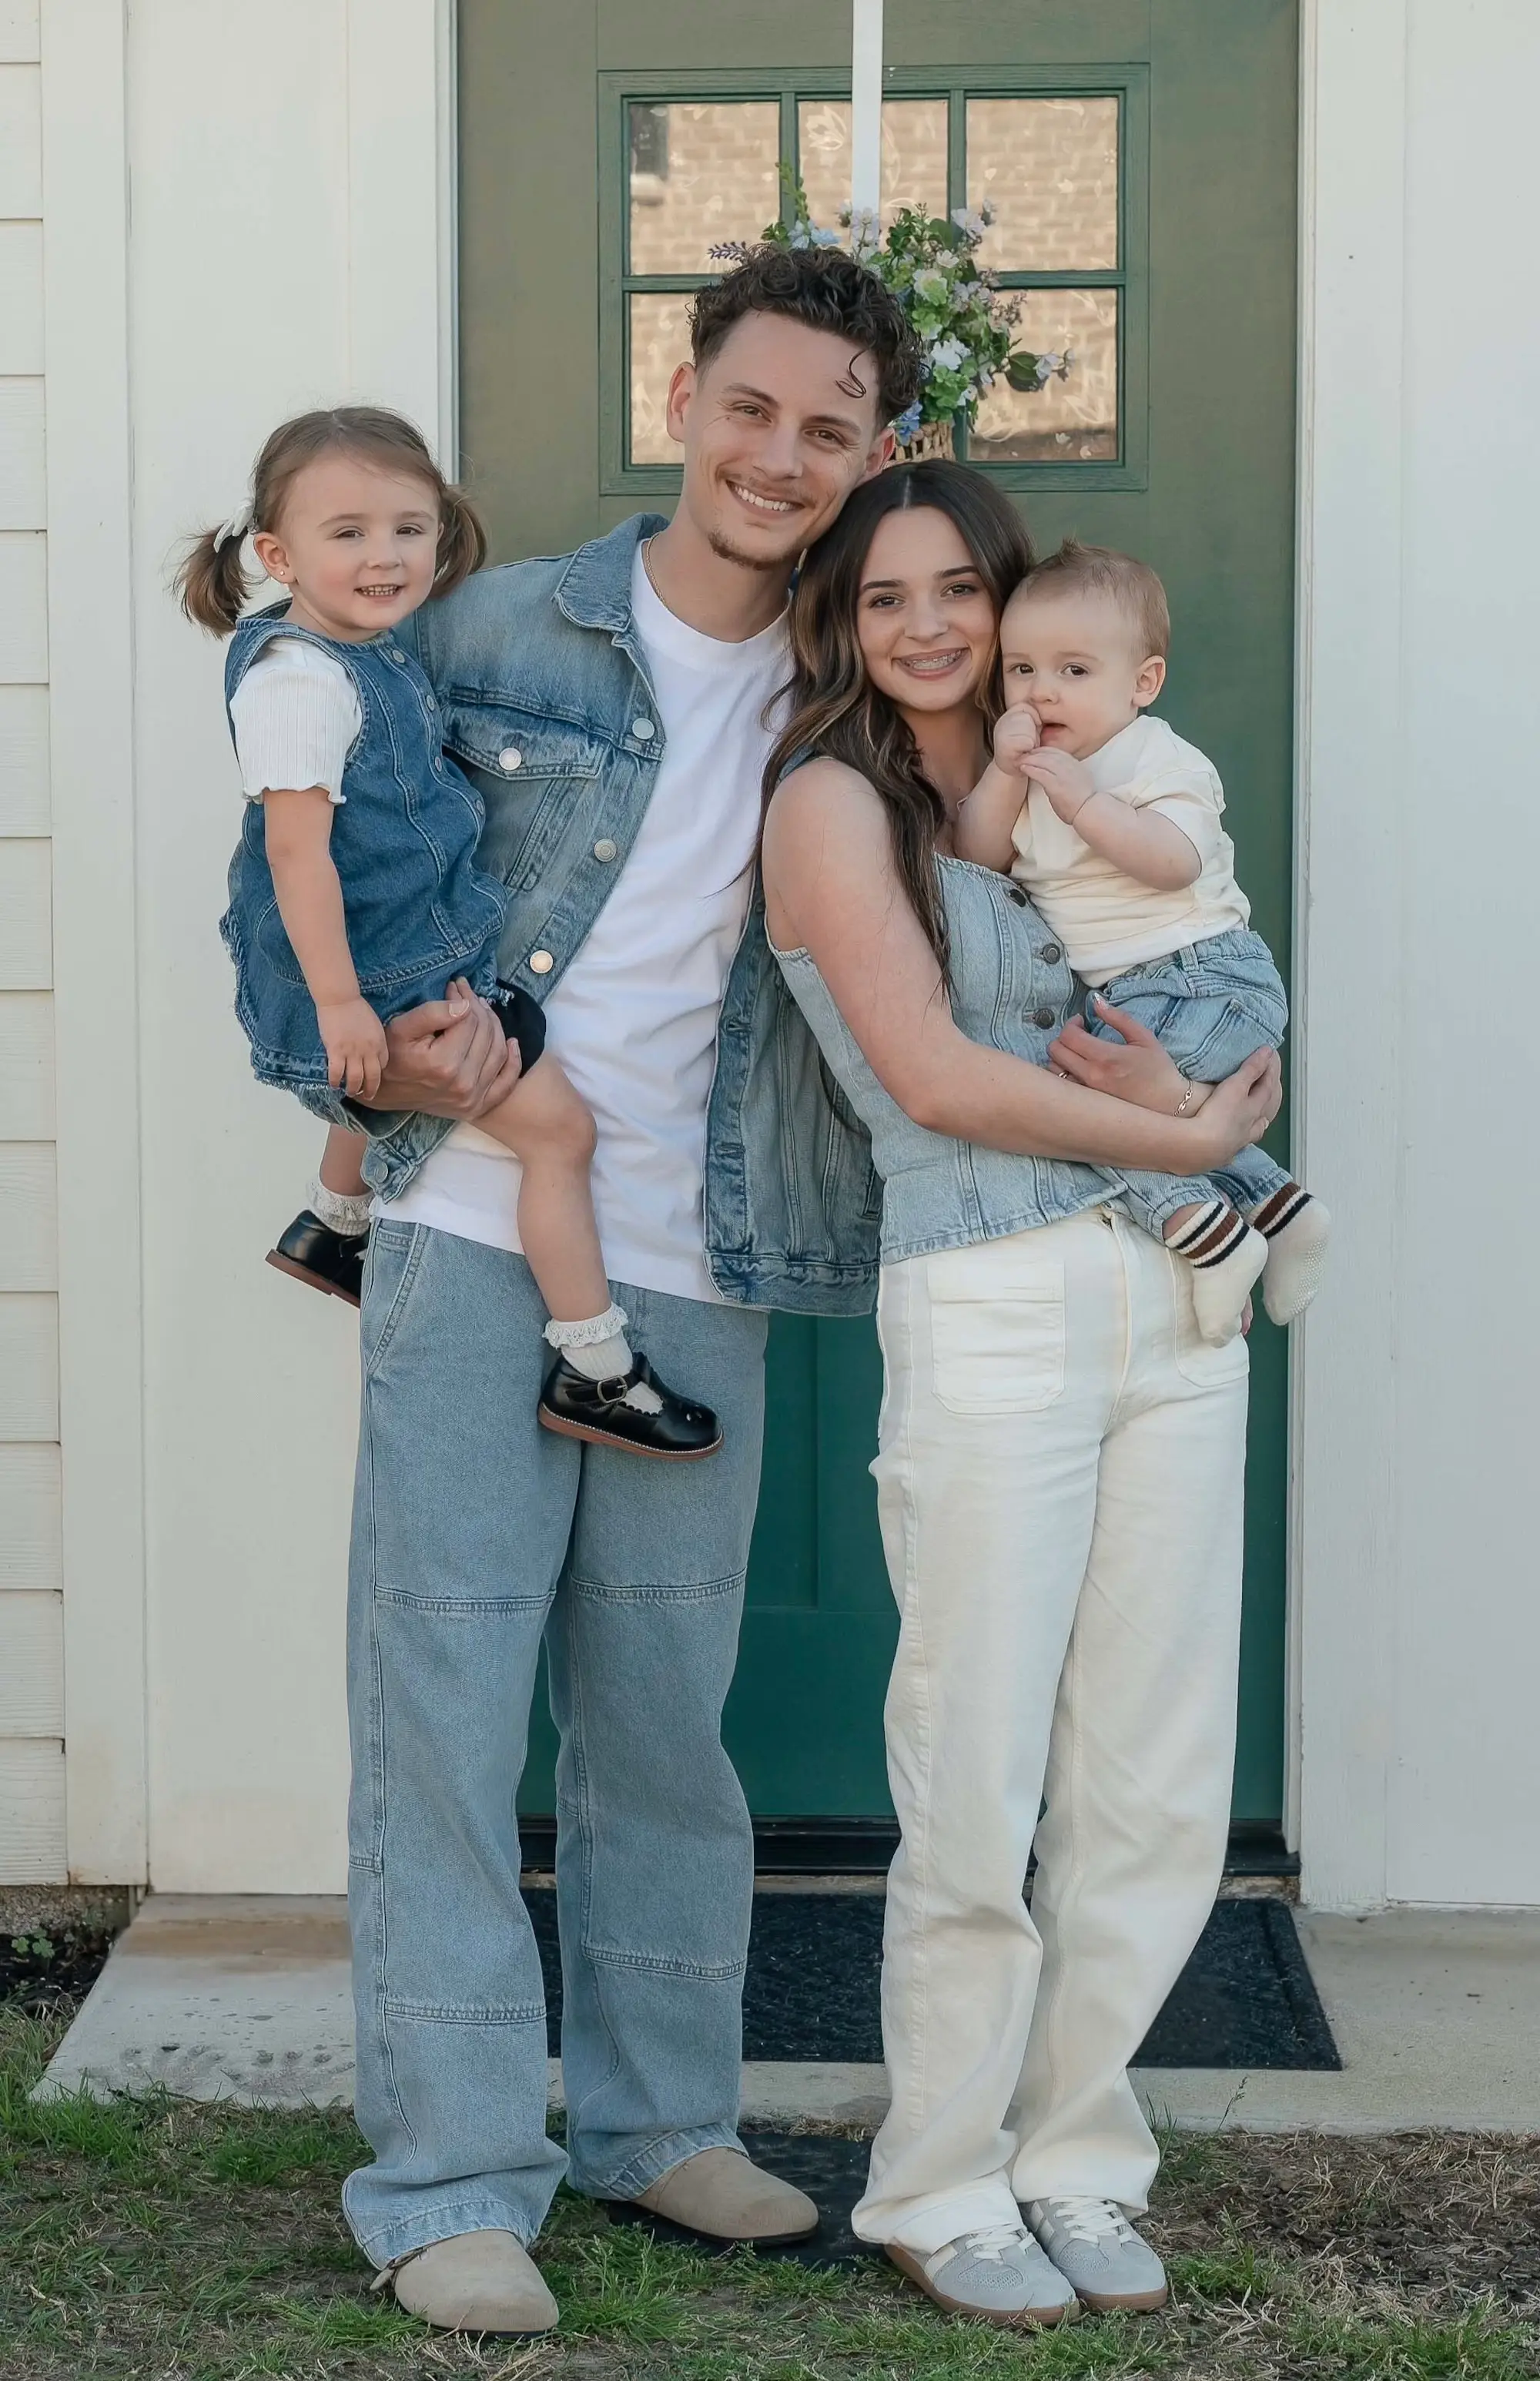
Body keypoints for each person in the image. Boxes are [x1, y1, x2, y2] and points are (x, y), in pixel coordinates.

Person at [294, 248, 1273, 2342]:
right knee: (452, 1705)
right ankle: (453, 2170)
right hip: (480, 1221)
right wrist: (364, 1058)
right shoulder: (494, 626)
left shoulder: (867, 701)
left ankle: (656, 2122)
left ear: (875, 454)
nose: (780, 455)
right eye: (753, 408)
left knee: (667, 1726)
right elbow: (291, 855)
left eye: (830, 427)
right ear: (685, 391)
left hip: (708, 1254)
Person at [760, 459, 1282, 2327]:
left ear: (1005, 604)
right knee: (970, 1768)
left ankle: (1079, 2151)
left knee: (1148, 1772)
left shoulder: (1090, 782)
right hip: (989, 1298)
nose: (922, 625)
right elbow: (934, 1080)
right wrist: (1169, 1118)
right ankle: (936, 2173)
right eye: (880, 592)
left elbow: (1190, 988)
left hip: (1167, 1297)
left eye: (952, 589)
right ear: (839, 614)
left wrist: (1200, 1095)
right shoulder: (829, 805)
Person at [181, 407, 717, 1459]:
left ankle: (334, 1228)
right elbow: (297, 856)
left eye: (408, 529)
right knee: (561, 1138)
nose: (385, 556)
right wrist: (342, 1006)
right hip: (366, 970)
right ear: (279, 554)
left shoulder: (364, 649)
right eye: (348, 534)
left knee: (463, 1073)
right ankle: (596, 1367)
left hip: (401, 942)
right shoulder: (300, 681)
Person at [955, 538, 1328, 1340]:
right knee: (1082, 1107)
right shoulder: (1035, 768)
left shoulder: (1154, 757)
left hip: (1204, 974)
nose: (1041, 691)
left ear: (1141, 684)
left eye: (1073, 671)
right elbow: (976, 858)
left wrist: (1088, 805)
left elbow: (1172, 862)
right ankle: (1279, 1208)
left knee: (1083, 1115)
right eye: (1020, 670)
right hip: (1134, 993)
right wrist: (1002, 774)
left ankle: (1209, 1234)